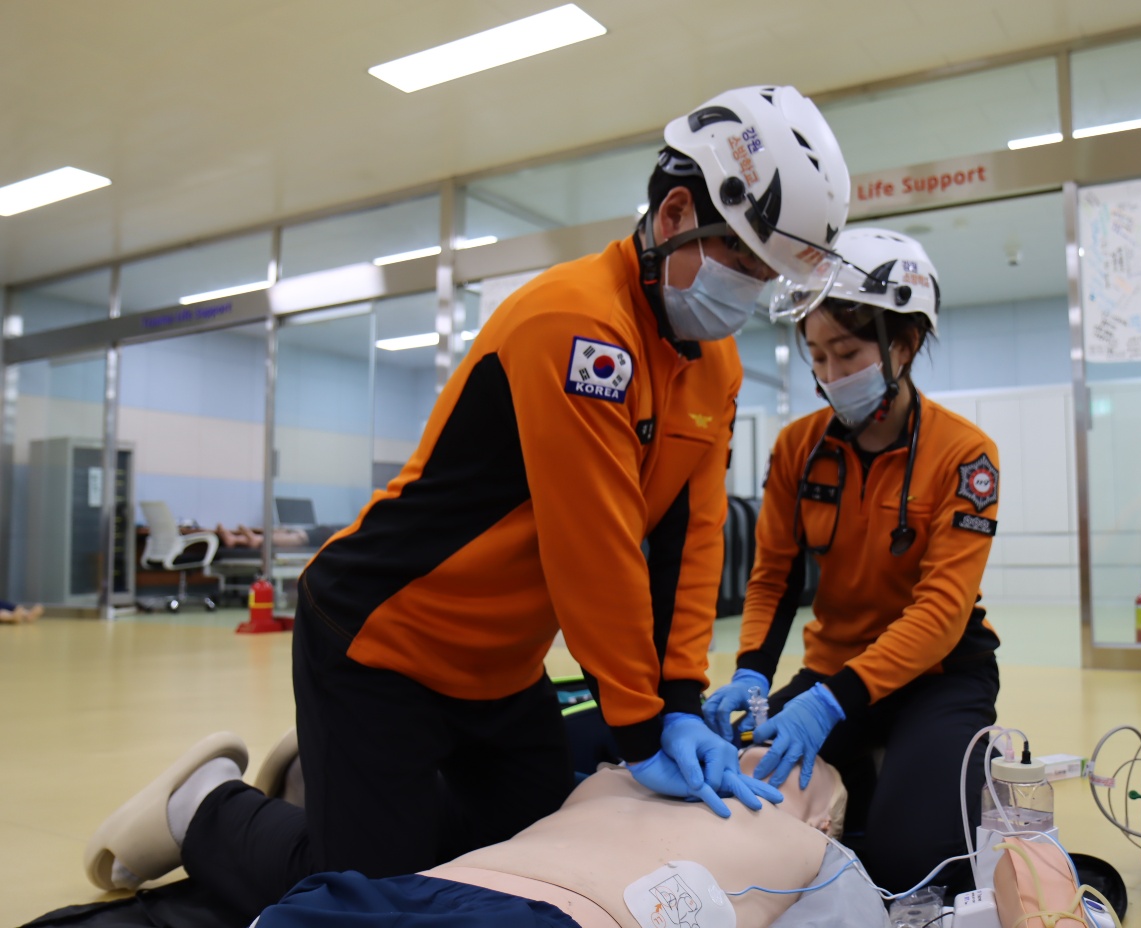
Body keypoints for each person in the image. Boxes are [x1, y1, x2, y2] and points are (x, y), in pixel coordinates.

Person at [84, 85, 851, 916]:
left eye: (769, 274)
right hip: (384, 639)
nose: (751, 289)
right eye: (745, 260)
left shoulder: (714, 365)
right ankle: (205, 804)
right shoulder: (577, 324)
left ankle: (334, 777)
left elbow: (689, 540)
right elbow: (590, 548)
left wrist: (679, 702)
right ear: (673, 215)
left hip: (501, 665)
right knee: (363, 898)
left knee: (518, 859)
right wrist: (640, 728)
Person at [702, 228, 1002, 895]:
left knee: (915, 863)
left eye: (848, 352)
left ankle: (937, 765)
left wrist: (826, 706)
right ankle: (866, 775)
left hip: (937, 677)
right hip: (833, 674)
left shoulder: (964, 455)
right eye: (817, 355)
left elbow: (941, 614)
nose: (831, 375)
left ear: (905, 344)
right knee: (734, 798)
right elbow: (774, 578)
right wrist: (752, 672)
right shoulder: (798, 449)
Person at [250, 747, 886, 927]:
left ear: (820, 819)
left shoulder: (819, 853)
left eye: (793, 766)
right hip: (393, 895)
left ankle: (214, 801)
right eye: (746, 746)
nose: (753, 755)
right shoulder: (626, 778)